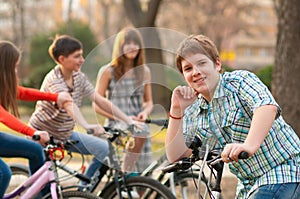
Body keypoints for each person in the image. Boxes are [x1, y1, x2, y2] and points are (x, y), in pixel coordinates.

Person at [165, 34, 300, 199]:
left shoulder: (240, 82)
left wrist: (248, 146)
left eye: (202, 63)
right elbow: (176, 155)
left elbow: (266, 107)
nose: (196, 72)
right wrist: (176, 109)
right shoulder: (195, 109)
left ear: (217, 64)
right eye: (188, 68)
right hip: (248, 185)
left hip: (285, 170)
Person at [29, 34, 138, 182]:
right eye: (77, 56)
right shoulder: (54, 80)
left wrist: (127, 120)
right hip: (41, 137)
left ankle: (84, 188)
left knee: (105, 149)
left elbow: (99, 99)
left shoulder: (78, 77)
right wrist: (86, 125)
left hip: (65, 135)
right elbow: (69, 104)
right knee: (43, 185)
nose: (82, 60)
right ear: (62, 59)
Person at [0, 41, 72, 197]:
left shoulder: (3, 84)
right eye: (14, 66)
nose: (16, 70)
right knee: (3, 173)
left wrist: (55, 97)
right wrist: (32, 132)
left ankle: (43, 196)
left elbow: (23, 93)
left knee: (35, 150)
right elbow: (4, 116)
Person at [94, 27, 153, 172]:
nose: (132, 47)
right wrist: (123, 118)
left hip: (138, 125)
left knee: (144, 174)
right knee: (140, 132)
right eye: (128, 43)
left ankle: (137, 185)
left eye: (136, 43)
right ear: (120, 47)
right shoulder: (107, 71)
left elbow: (149, 102)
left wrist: (145, 113)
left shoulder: (144, 71)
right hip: (116, 124)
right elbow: (97, 105)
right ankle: (125, 173)